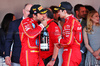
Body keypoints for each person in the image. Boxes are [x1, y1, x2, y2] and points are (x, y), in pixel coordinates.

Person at [55, 1, 83, 66]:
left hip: (70, 53)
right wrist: (62, 44)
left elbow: (68, 42)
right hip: (75, 52)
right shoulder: (74, 20)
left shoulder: (69, 22)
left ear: (64, 11)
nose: (58, 13)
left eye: (59, 11)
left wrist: (59, 40)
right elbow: (76, 39)